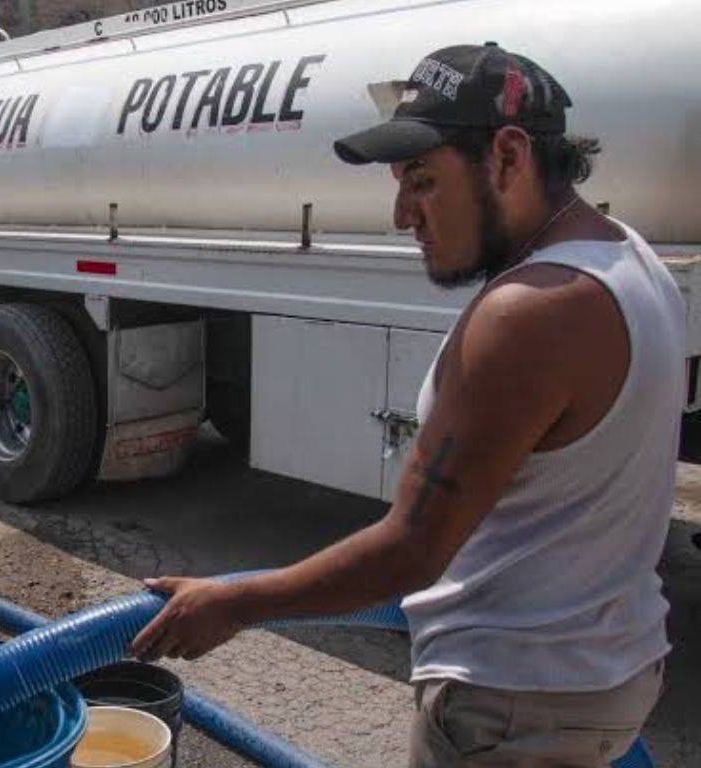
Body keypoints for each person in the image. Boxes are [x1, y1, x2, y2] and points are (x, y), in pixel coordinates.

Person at [129, 43, 681, 767]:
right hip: (598, 677)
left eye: (421, 181)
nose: (400, 215)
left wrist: (234, 602)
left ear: (509, 157)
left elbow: (414, 548)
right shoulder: (629, 256)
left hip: (513, 703)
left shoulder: (529, 315)